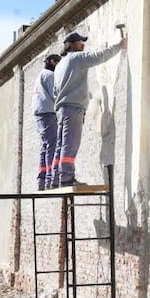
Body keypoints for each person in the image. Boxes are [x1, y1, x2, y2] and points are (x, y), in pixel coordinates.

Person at [50, 31, 127, 187]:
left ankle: (55, 179)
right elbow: (99, 56)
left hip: (61, 109)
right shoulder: (77, 58)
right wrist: (119, 46)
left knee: (60, 144)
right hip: (73, 109)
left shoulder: (60, 66)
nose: (83, 45)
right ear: (71, 45)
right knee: (70, 144)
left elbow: (55, 91)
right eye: (80, 42)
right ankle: (66, 179)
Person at [34, 53, 62, 190]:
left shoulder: (40, 75)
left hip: (40, 114)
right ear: (52, 62)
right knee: (52, 145)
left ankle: (42, 180)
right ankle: (51, 179)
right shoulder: (50, 75)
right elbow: (55, 94)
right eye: (58, 63)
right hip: (48, 113)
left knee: (45, 147)